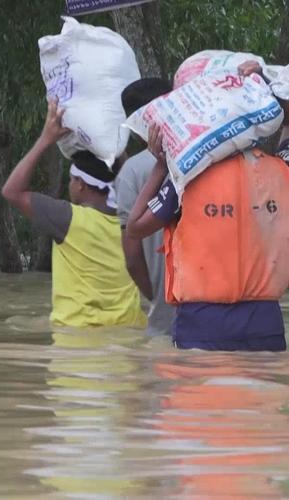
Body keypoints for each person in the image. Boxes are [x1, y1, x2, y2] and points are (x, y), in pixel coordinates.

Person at [126, 120, 289, 351]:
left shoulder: (188, 175)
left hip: (202, 324)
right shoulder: (280, 171)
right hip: (265, 324)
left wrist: (162, 165)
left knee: (200, 386)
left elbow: (135, 227)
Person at [2, 97, 145, 327]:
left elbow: (11, 191)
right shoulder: (133, 220)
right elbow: (126, 173)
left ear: (79, 184)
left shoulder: (67, 219)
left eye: (70, 180)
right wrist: (115, 145)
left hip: (76, 344)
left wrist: (45, 139)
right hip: (128, 339)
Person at [116, 78, 176, 336]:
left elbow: (132, 257)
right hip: (216, 315)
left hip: (165, 319)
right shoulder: (208, 157)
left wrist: (156, 297)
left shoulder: (132, 171)